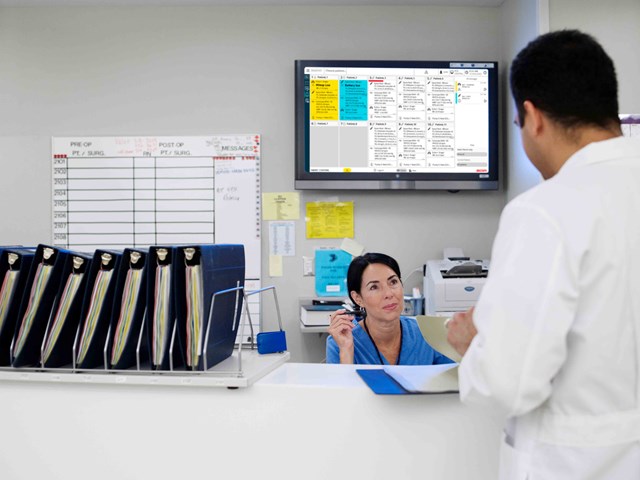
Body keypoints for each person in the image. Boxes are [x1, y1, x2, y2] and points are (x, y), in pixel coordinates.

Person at [446, 30, 640, 479]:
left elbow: (507, 383)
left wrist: (471, 344)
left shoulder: (546, 211)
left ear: (531, 117)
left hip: (576, 464)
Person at [326, 252, 453, 365]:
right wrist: (346, 350)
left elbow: (455, 382)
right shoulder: (341, 340)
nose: (389, 294)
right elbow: (343, 391)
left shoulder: (427, 333)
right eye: (374, 287)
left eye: (393, 282)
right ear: (358, 298)